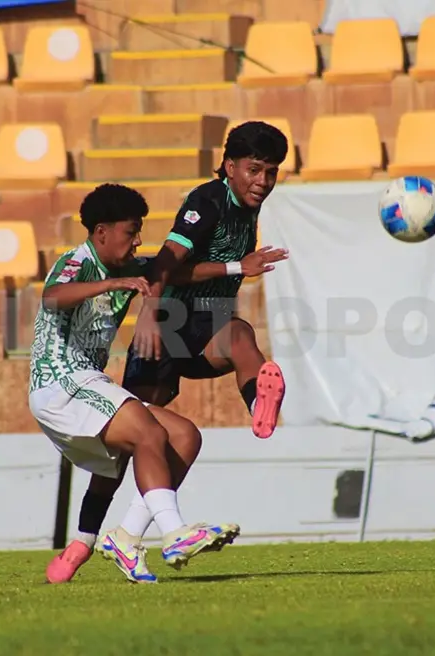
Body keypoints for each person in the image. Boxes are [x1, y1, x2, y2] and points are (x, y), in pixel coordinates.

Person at [47, 121, 292, 583]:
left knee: (240, 336)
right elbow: (166, 263)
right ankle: (83, 541)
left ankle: (259, 404)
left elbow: (189, 273)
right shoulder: (206, 202)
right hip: (167, 330)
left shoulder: (245, 207)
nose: (263, 181)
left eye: (272, 172)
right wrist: (148, 315)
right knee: (129, 449)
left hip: (202, 327)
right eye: (255, 170)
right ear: (229, 166)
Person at [34, 183, 235, 585]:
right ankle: (175, 534)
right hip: (60, 384)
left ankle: (124, 539)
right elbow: (52, 296)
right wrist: (110, 285)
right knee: (148, 433)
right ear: (101, 231)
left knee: (183, 436)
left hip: (89, 384)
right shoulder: (79, 261)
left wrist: (235, 267)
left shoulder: (129, 268)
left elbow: (174, 271)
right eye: (131, 231)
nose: (138, 239)